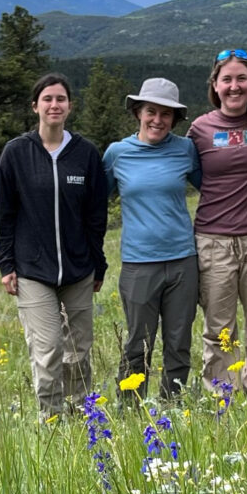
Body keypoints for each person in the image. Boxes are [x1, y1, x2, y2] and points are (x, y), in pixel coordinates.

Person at [0, 73, 108, 419]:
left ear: (70, 106)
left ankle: (82, 417)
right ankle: (53, 421)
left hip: (78, 269)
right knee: (47, 351)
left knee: (78, 351)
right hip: (33, 271)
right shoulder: (16, 153)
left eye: (61, 99)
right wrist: (6, 265)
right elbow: (5, 213)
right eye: (47, 99)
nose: (54, 105)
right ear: (35, 106)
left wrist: (98, 265)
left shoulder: (85, 154)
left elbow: (95, 216)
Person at [187, 49, 247, 393]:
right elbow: (195, 176)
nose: (234, 86)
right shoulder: (200, 129)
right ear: (215, 85)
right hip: (214, 242)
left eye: (241, 78)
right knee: (219, 332)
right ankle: (222, 402)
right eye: (226, 79)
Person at [103, 78, 201, 401]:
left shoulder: (186, 149)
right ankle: (131, 412)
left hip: (183, 262)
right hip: (138, 264)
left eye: (166, 114)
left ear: (175, 119)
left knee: (178, 343)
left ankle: (173, 408)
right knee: (136, 345)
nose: (157, 120)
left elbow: (215, 190)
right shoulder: (117, 154)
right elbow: (92, 203)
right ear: (137, 113)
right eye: (151, 111)